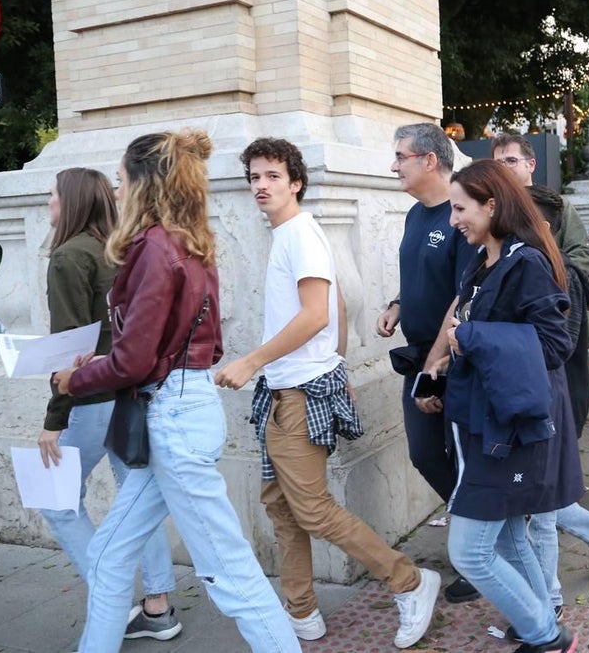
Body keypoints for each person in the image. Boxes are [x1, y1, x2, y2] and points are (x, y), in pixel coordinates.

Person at [53, 130, 300, 653]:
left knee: (230, 575)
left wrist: (76, 378)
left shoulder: (156, 247)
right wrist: (109, 364)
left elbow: (136, 359)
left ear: (143, 184)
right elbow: (171, 348)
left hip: (174, 418)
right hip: (179, 411)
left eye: (121, 181)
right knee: (108, 555)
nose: (117, 193)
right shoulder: (187, 243)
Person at [215, 137, 439, 649]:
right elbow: (335, 306)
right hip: (283, 392)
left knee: (311, 509)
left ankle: (408, 581)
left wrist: (252, 361)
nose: (261, 186)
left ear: (295, 182)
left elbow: (316, 313)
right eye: (254, 177)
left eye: (272, 176)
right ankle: (301, 612)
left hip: (296, 396)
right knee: (281, 505)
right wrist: (335, 368)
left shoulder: (299, 234)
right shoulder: (293, 234)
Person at [432, 159, 582, 652]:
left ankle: (544, 633)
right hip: (490, 422)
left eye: (460, 208)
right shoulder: (486, 261)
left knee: (470, 552)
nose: (454, 220)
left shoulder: (527, 263)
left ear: (491, 205)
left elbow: (555, 344)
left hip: (513, 429)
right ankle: (541, 625)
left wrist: (470, 336)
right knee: (511, 537)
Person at [37, 167, 181, 642]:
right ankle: (158, 606)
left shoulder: (68, 256)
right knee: (135, 499)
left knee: (57, 501)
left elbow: (69, 348)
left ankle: (109, 594)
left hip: (91, 396)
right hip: (129, 394)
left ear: (72, 202)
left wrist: (52, 421)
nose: (50, 204)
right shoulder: (123, 250)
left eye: (54, 196)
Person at [374, 122, 482, 605]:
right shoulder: (415, 215)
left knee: (462, 460)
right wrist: (398, 303)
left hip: (450, 360)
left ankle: (479, 555)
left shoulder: (459, 219)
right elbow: (418, 274)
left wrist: (436, 364)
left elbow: (462, 296)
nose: (394, 165)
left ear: (430, 160)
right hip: (418, 355)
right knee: (424, 453)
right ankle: (482, 531)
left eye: (401, 156)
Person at [521, 186, 589, 638]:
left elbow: (553, 352)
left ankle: (550, 606)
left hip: (548, 405)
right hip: (525, 406)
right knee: (532, 507)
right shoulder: (508, 264)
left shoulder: (552, 275)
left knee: (538, 510)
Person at [491, 134, 589, 272]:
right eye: (498, 163)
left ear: (531, 165)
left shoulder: (557, 205)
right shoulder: (490, 209)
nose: (504, 168)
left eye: (511, 160)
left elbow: (581, 255)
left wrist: (548, 279)